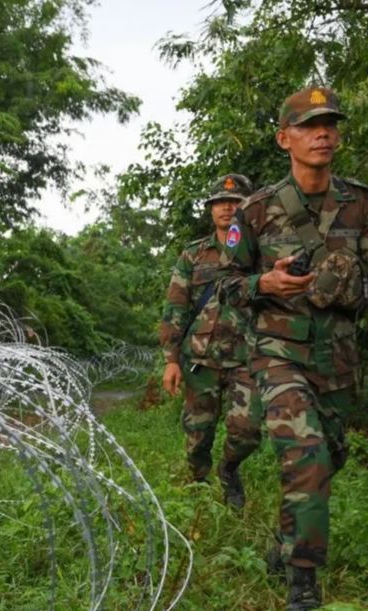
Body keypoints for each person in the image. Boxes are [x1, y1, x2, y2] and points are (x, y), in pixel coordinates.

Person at [216, 87, 368, 610]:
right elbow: (226, 286)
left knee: (329, 457)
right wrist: (265, 285)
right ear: (285, 138)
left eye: (329, 123)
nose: (323, 133)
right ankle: (303, 584)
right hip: (277, 355)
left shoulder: (364, 205)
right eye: (309, 125)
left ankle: (286, 542)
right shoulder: (257, 211)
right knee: (305, 458)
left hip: (338, 359)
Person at [159, 174, 264, 509]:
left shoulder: (263, 255)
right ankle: (198, 484)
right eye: (220, 202)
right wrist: (171, 360)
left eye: (235, 202)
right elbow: (175, 307)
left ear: (248, 208)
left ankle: (229, 468)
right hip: (200, 360)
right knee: (197, 433)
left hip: (247, 357)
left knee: (247, 431)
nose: (227, 208)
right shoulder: (194, 255)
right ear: (211, 209)